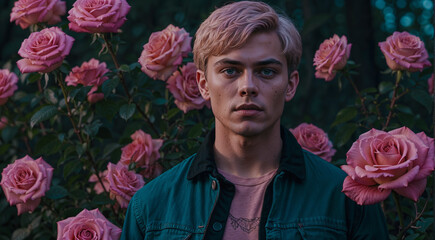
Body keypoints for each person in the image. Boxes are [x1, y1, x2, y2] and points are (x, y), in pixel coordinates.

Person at [121, 1, 389, 239]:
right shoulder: (151, 207)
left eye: (267, 71)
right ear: (203, 85)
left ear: (291, 84)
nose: (247, 86)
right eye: (229, 70)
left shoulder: (345, 200)